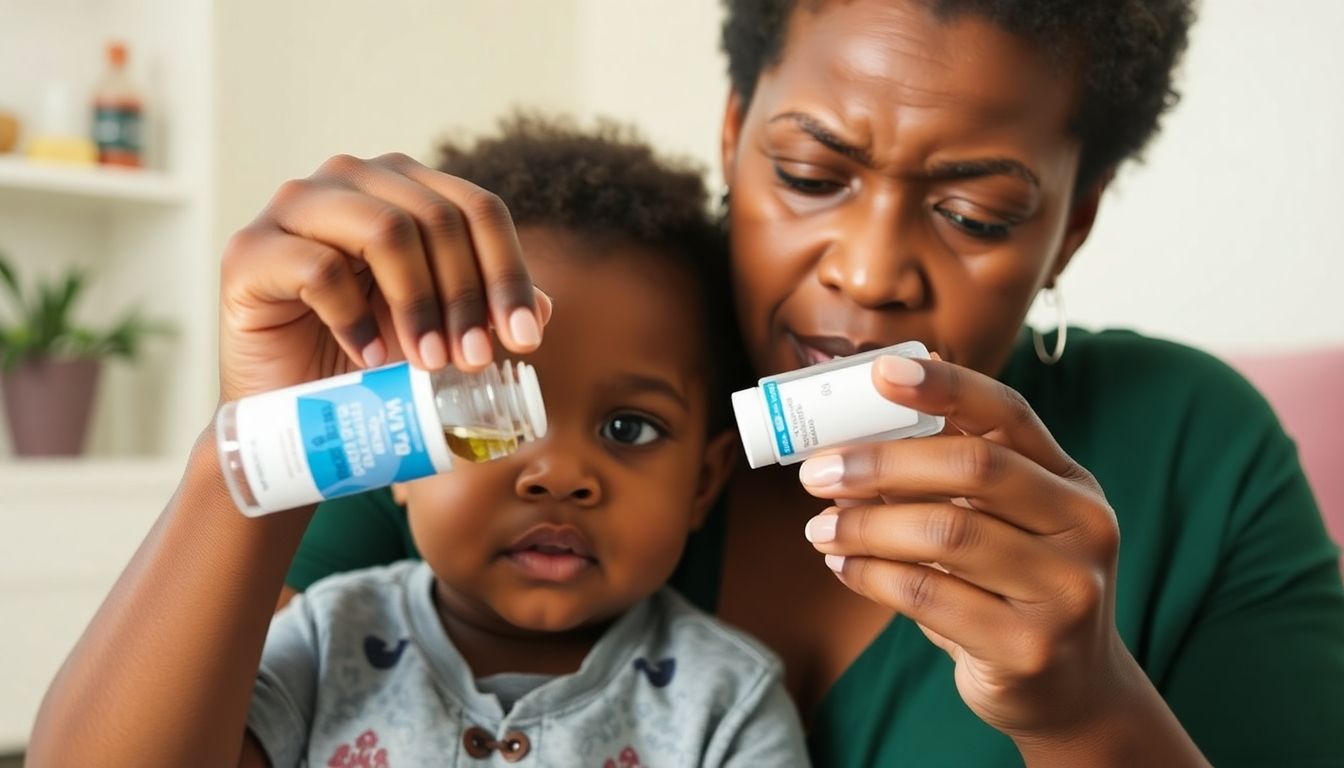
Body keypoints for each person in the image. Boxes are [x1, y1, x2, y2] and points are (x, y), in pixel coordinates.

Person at [30, 1, 1344, 766]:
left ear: (1078, 223)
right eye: (812, 175)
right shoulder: (522, 352)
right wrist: (268, 444)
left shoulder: (1197, 453)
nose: (874, 271)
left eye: (978, 212)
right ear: (730, 132)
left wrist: (1088, 712)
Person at [36, 117, 810, 766]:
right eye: (491, 415)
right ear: (398, 454)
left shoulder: (727, 706)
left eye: (628, 428)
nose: (560, 476)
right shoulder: (327, 642)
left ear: (704, 483)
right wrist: (258, 449)